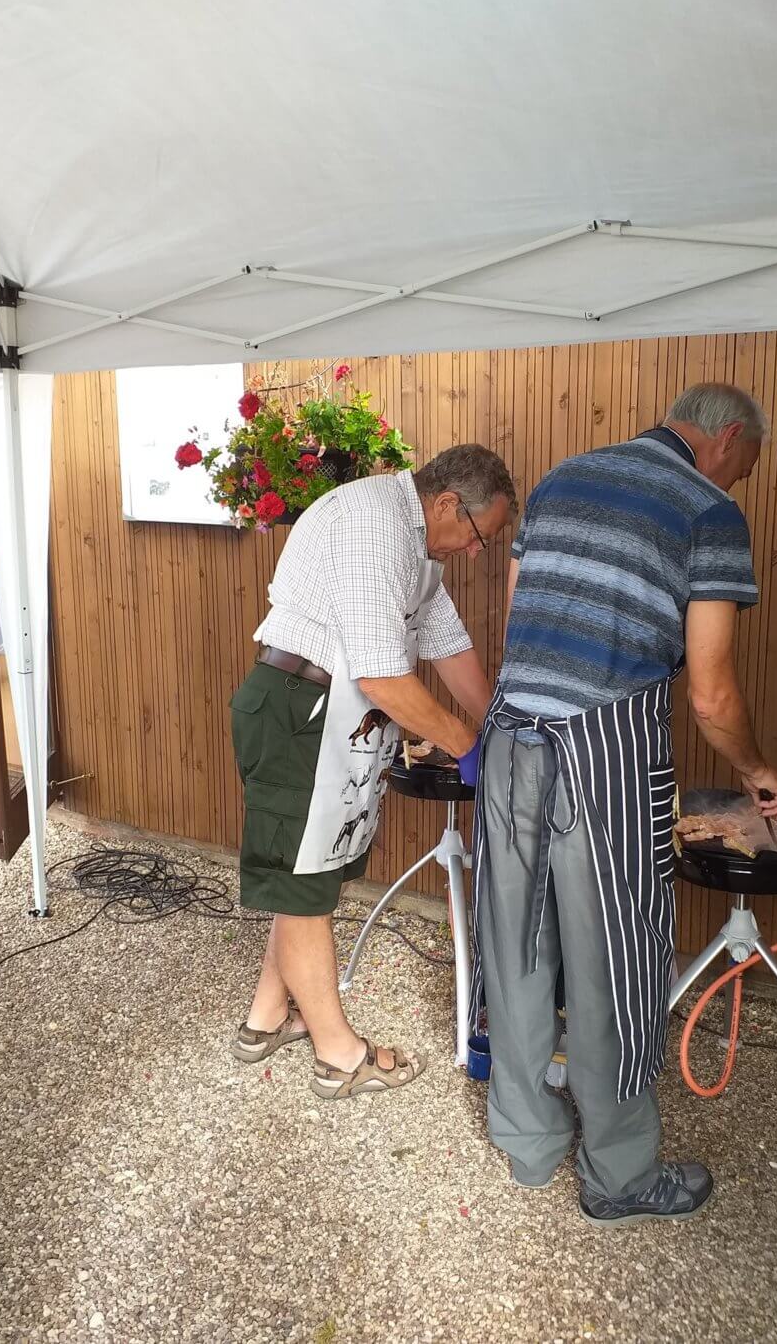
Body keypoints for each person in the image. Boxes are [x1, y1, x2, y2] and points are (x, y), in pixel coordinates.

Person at [470, 382, 777, 1226]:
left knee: (514, 939)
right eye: (746, 466)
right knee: (617, 956)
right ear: (726, 439)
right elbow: (713, 693)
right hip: (605, 750)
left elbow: (518, 624)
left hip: (512, 737)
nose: (740, 483)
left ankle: (528, 1140)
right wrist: (759, 771)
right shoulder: (707, 509)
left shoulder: (560, 479)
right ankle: (618, 1175)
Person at [230, 443, 516, 1100]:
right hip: (300, 707)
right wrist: (468, 746)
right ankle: (340, 1056)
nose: (478, 551)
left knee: (309, 874)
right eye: (480, 535)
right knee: (304, 883)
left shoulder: (419, 550)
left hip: (329, 712)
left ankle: (266, 1016)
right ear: (447, 503)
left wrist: (501, 725)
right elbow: (384, 675)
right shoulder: (372, 524)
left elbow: (447, 644)